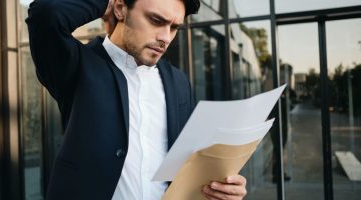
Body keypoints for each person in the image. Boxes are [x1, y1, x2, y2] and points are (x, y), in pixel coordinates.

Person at [26, 0, 247, 199]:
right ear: (121, 8)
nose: (165, 37)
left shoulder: (178, 82)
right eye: (155, 20)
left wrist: (223, 187)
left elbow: (187, 165)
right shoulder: (77, 66)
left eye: (174, 27)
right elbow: (46, 13)